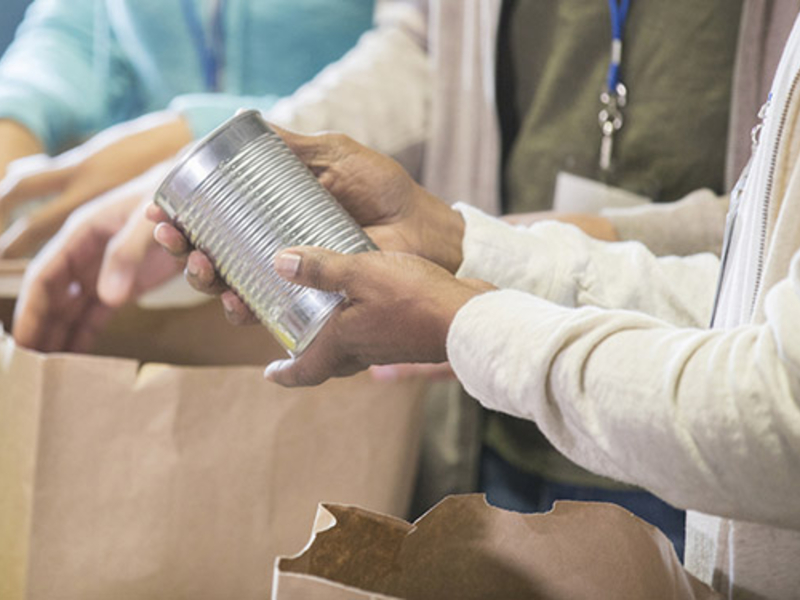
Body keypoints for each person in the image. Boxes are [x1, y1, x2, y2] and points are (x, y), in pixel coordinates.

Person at [11, 0, 799, 554]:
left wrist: (463, 315)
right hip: (488, 429)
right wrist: (462, 243)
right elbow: (427, 44)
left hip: (696, 472)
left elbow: (768, 340)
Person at [0, 0, 376, 256]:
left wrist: (206, 142)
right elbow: (78, 27)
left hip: (352, 227)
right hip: (146, 241)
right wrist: (14, 120)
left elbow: (416, 65)